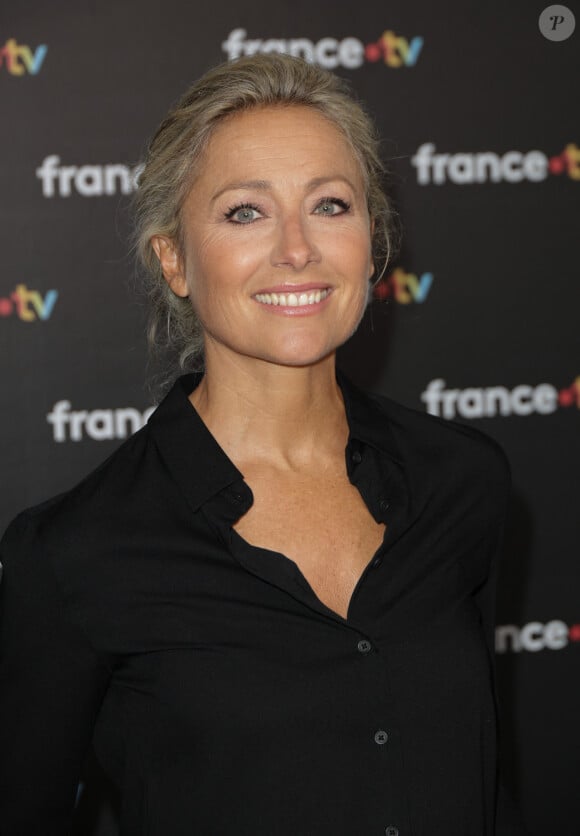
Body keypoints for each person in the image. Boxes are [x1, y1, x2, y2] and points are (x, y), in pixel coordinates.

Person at [0, 54, 525, 836]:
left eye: (331, 205)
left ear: (372, 243)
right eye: (246, 212)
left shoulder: (466, 482)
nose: (296, 249)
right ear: (174, 260)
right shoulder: (75, 554)